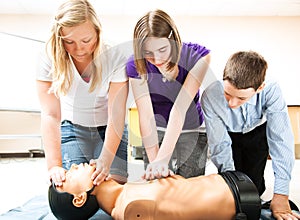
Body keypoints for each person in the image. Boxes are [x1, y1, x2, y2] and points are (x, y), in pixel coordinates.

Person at [36, 0, 128, 187]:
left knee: (110, 185)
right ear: (60, 38)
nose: (79, 49)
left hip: (108, 129)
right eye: (69, 41)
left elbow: (116, 114)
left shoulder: (115, 55)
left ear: (98, 32)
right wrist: (54, 166)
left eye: (86, 40)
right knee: (71, 185)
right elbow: (50, 115)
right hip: (72, 129)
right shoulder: (48, 56)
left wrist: (106, 160)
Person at [201, 51, 298, 219]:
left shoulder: (271, 91)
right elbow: (220, 143)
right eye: (228, 94)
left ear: (259, 88)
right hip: (229, 134)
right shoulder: (211, 95)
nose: (232, 104)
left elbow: (281, 140)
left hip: (257, 132)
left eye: (241, 98)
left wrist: (282, 195)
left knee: (254, 188)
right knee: (233, 189)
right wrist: (232, 188)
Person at [126, 9, 211, 180]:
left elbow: (179, 109)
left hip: (192, 127)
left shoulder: (197, 57)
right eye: (148, 53)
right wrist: (156, 163)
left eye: (162, 49)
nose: (157, 60)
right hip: (155, 128)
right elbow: (146, 114)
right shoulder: (135, 64)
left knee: (188, 189)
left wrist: (163, 159)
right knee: (157, 186)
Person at [48, 163, 263, 220]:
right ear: (79, 199)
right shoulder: (131, 209)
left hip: (233, 185)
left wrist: (168, 178)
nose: (74, 167)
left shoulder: (126, 192)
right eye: (69, 175)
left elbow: (181, 193)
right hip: (239, 197)